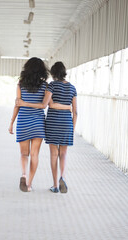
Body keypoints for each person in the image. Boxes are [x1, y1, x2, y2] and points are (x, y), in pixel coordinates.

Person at [16, 61, 77, 194]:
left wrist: (15, 116)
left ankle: (54, 185)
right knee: (63, 154)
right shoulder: (72, 88)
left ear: (53, 73)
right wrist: (69, 111)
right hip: (65, 123)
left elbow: (50, 105)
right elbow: (76, 112)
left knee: (53, 154)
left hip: (53, 123)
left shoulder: (51, 86)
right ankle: (63, 177)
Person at [8, 57, 48, 192]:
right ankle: (29, 184)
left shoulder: (20, 84)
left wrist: (11, 122)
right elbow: (45, 105)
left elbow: (17, 105)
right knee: (35, 154)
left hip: (23, 121)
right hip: (38, 123)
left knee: (24, 154)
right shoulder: (45, 86)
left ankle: (24, 174)